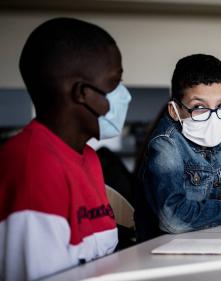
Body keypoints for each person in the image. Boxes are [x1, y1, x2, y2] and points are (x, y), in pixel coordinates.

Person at [0, 18, 130, 280]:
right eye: (115, 82)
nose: (124, 95)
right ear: (82, 93)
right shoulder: (33, 166)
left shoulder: (88, 157)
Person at [134, 54, 221, 241]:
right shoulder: (166, 146)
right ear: (175, 111)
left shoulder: (214, 140)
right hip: (163, 251)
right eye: (199, 107)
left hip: (208, 240)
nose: (213, 116)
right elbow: (174, 218)